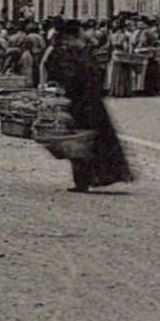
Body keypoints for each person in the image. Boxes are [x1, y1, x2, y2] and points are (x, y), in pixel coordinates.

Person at [44, 20, 134, 193]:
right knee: (85, 141)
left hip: (83, 102)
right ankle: (89, 179)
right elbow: (82, 75)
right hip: (85, 102)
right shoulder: (73, 52)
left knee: (84, 141)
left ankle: (89, 179)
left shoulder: (71, 52)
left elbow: (73, 75)